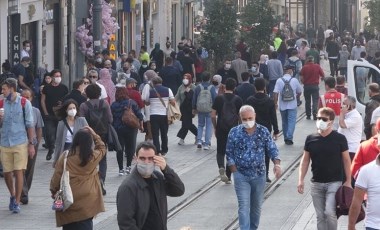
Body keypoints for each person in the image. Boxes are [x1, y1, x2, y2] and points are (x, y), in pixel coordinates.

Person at [226, 105, 282, 230]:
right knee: (244, 206)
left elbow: (272, 149)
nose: (247, 121)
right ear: (240, 118)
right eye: (244, 119)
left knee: (256, 208)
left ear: (255, 116)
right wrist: (234, 170)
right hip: (241, 175)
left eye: (250, 118)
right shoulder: (234, 132)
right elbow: (229, 153)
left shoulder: (263, 131)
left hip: (259, 175)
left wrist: (277, 164)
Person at [297, 107, 352, 230]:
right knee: (320, 215)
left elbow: (346, 160)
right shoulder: (310, 138)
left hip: (334, 182)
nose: (320, 121)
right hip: (316, 183)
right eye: (318, 118)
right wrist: (301, 179)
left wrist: (348, 180)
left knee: (329, 212)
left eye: (323, 119)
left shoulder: (339, 138)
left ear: (331, 122)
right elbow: (305, 160)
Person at [116, 141, 185, 229]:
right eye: (142, 158)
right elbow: (126, 222)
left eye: (150, 158)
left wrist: (166, 169)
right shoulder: (128, 187)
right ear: (136, 158)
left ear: (156, 159)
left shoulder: (157, 177)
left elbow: (179, 190)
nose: (146, 162)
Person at [50, 127, 106, 229]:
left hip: (69, 200)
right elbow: (102, 148)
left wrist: (54, 191)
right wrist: (94, 134)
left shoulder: (66, 156)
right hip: (87, 203)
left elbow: (57, 176)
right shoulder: (92, 157)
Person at [0, 78, 36, 213]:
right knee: (7, 172)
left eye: (4, 89)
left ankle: (16, 201)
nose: (2, 91)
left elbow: (30, 124)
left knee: (19, 170)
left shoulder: (24, 103)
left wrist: (31, 144)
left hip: (20, 142)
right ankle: (12, 194)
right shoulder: (1, 103)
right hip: (4, 142)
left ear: (11, 88)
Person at [80, 84, 113, 195]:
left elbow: (81, 122)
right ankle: (101, 180)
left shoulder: (84, 106)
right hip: (103, 135)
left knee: (89, 158)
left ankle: (90, 182)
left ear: (87, 93)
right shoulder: (105, 103)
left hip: (89, 135)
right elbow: (110, 119)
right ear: (99, 93)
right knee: (102, 159)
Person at [246, 77, 279, 182]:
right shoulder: (269, 101)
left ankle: (253, 172)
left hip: (252, 128)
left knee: (252, 150)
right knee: (266, 151)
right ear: (264, 87)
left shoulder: (250, 100)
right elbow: (273, 116)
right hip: (266, 129)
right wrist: (276, 130)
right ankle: (265, 174)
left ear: (254, 87)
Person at [212, 78, 243, 184]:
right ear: (234, 87)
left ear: (225, 87)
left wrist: (215, 127)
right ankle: (228, 176)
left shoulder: (218, 99)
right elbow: (240, 116)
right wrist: (240, 127)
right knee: (232, 152)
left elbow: (212, 115)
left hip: (221, 127)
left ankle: (221, 166)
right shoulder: (238, 99)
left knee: (220, 150)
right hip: (234, 129)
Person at [111, 87, 144, 175]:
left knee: (119, 148)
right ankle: (128, 167)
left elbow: (111, 118)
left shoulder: (113, 105)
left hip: (118, 129)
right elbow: (140, 115)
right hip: (131, 128)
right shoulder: (131, 102)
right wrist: (140, 123)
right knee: (131, 147)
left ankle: (120, 169)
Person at [20, 89, 44, 205]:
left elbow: (39, 128)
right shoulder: (16, 110)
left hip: (32, 143)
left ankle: (25, 190)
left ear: (32, 98)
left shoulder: (36, 111)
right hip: (18, 142)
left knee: (29, 169)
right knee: (20, 168)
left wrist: (36, 143)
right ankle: (23, 192)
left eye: (27, 97)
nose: (25, 99)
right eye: (23, 97)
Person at [142, 76, 176, 155]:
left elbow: (146, 102)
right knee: (164, 133)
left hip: (153, 115)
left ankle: (157, 150)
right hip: (164, 115)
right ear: (161, 82)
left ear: (153, 83)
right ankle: (164, 150)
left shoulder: (150, 91)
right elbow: (173, 101)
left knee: (155, 134)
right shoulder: (168, 90)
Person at [41, 69, 69, 161]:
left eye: (59, 76)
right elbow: (43, 100)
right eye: (56, 76)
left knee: (60, 134)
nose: (58, 78)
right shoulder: (47, 88)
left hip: (61, 115)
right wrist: (45, 112)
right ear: (52, 77)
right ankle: (51, 148)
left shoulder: (64, 88)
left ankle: (59, 152)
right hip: (49, 114)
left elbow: (67, 100)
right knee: (49, 133)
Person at [348, 152, 380, 230]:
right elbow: (356, 202)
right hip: (373, 225)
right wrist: (351, 226)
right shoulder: (366, 170)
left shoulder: (366, 170)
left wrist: (351, 225)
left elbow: (356, 201)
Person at [52, 99, 88, 166]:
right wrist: (56, 159)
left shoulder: (82, 120)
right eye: (70, 108)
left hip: (79, 150)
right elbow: (59, 142)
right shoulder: (61, 123)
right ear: (66, 110)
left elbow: (88, 136)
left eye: (74, 108)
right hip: (66, 150)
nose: (72, 110)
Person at [273, 65, 302, 145]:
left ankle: (285, 137)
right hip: (292, 104)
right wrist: (296, 98)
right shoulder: (294, 80)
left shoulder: (279, 80)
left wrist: (275, 103)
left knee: (284, 121)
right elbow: (299, 91)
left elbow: (275, 93)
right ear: (290, 71)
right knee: (292, 121)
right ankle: (289, 137)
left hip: (282, 105)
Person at [192, 72, 217, 150]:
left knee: (200, 125)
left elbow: (194, 98)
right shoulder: (212, 87)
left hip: (200, 109)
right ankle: (206, 144)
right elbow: (214, 99)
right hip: (209, 109)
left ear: (201, 78)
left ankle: (199, 141)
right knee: (209, 126)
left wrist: (194, 108)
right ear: (209, 79)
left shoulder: (198, 87)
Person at [299, 56, 324, 120]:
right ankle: (315, 113)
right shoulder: (317, 66)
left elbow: (301, 77)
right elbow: (322, 75)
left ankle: (308, 115)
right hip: (315, 86)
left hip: (307, 86)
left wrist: (303, 82)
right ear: (313, 60)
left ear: (307, 60)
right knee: (315, 100)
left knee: (307, 101)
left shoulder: (304, 67)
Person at [175, 73, 197, 145]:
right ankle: (198, 135)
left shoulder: (193, 87)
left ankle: (182, 139)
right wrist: (173, 102)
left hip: (190, 108)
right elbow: (177, 96)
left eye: (187, 78)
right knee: (188, 124)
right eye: (184, 78)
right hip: (183, 108)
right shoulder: (181, 87)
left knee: (186, 124)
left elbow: (196, 97)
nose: (185, 80)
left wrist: (195, 108)